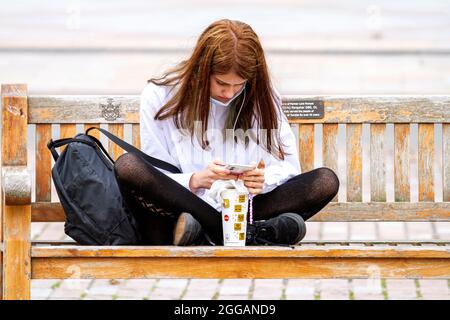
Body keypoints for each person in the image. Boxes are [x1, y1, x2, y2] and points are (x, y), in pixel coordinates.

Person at [114, 19, 339, 246]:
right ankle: (249, 234)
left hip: (244, 208)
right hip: (182, 211)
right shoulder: (160, 95)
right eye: (221, 82)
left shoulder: (262, 96)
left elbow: (289, 168)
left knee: (325, 181)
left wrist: (262, 180)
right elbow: (157, 173)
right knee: (128, 167)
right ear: (202, 70)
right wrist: (196, 180)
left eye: (239, 85)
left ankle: (218, 234)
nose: (229, 92)